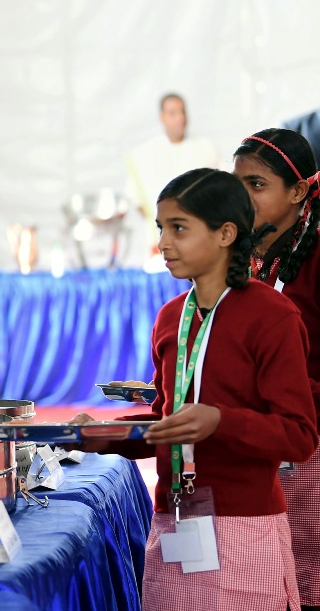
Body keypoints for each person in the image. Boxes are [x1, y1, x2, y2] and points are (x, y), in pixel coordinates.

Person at [74, 168, 317, 610]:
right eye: (161, 228)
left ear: (226, 234)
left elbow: (298, 435)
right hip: (174, 523)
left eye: (179, 228)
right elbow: (167, 421)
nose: (164, 243)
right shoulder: (171, 318)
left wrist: (221, 421)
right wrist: (104, 436)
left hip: (247, 526)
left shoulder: (273, 316)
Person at [233, 128, 320, 611]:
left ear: (298, 191)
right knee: (281, 579)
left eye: (257, 185)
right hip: (275, 444)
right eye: (237, 184)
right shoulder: (256, 257)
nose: (242, 198)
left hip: (311, 446)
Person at [124, 93, 219, 261]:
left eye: (182, 112)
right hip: (160, 244)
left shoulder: (205, 148)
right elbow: (136, 199)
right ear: (162, 117)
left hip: (200, 243)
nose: (180, 118)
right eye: (173, 113)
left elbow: (220, 190)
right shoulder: (145, 155)